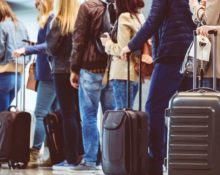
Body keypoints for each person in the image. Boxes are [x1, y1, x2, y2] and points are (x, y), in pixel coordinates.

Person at [120, 0, 196, 174]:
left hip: (171, 54)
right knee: (187, 111)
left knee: (154, 107)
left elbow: (153, 20)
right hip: (191, 53)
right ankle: (184, 160)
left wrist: (131, 45)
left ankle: (155, 161)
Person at [69, 0, 116, 171]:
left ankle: (89, 160)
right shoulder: (117, 6)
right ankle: (111, 159)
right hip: (112, 69)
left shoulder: (87, 7)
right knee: (111, 116)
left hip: (90, 68)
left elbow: (78, 39)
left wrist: (74, 68)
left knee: (88, 116)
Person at [12, 0, 57, 168]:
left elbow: (49, 45)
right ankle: (53, 153)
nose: (36, 3)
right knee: (52, 114)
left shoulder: (51, 19)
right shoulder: (48, 19)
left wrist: (27, 49)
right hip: (49, 73)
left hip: (48, 74)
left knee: (40, 113)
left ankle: (34, 153)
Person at [46, 0, 83, 170]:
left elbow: (51, 48)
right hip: (78, 71)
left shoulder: (58, 21)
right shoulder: (80, 20)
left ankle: (70, 158)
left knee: (68, 114)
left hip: (61, 72)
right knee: (78, 114)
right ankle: (83, 153)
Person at [100, 0, 145, 110]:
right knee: (128, 115)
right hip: (135, 73)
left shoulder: (124, 17)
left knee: (122, 116)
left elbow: (122, 49)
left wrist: (107, 43)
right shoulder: (139, 16)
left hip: (122, 73)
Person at [0, 0, 29, 112]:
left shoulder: (2, 26)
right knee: (5, 114)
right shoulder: (21, 25)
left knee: (3, 117)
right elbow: (28, 50)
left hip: (3, 76)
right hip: (18, 77)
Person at [189, 0, 220, 89]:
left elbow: (207, 21)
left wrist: (193, 4)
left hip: (214, 64)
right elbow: (198, 20)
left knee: (210, 99)